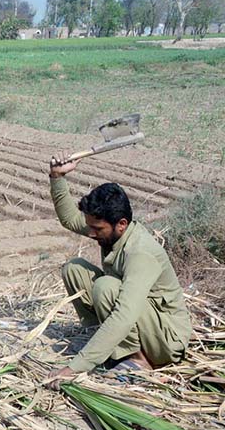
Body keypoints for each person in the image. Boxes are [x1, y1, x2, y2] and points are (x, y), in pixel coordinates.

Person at [46, 152, 191, 389]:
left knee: (106, 287)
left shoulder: (141, 253)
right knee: (74, 269)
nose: (91, 233)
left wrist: (74, 368)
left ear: (121, 224)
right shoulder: (111, 233)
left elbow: (124, 315)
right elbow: (70, 220)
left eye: (97, 228)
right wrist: (57, 177)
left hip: (165, 339)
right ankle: (104, 343)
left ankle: (138, 360)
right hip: (142, 323)